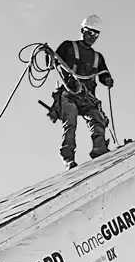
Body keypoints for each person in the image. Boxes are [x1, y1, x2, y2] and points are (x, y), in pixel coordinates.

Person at [46, 15, 114, 168]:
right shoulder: (68, 47)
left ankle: (99, 149)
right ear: (83, 30)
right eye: (90, 33)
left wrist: (108, 80)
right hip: (69, 93)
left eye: (96, 34)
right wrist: (49, 56)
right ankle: (68, 156)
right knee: (70, 122)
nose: (93, 37)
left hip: (87, 97)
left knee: (98, 119)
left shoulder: (97, 57)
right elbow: (52, 63)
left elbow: (104, 75)